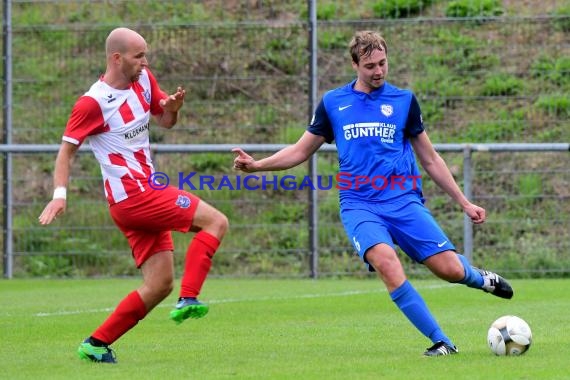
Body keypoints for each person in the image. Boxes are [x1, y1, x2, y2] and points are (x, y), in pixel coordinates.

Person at [232, 30, 513, 357]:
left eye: (382, 63)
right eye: (370, 66)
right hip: (359, 205)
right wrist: (257, 166)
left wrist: (464, 202)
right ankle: (442, 342)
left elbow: (430, 158)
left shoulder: (404, 101)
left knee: (449, 270)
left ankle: (478, 278)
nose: (378, 71)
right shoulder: (333, 103)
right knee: (386, 261)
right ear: (355, 65)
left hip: (403, 200)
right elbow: (299, 151)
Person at [38, 27, 228, 364]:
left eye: (145, 54)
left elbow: (165, 120)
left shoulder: (144, 80)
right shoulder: (92, 102)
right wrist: (59, 194)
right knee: (216, 222)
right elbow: (65, 153)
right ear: (117, 58)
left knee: (159, 284)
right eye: (139, 56)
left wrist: (172, 108)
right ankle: (189, 299)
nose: (145, 62)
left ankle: (96, 343)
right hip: (136, 196)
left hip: (138, 197)